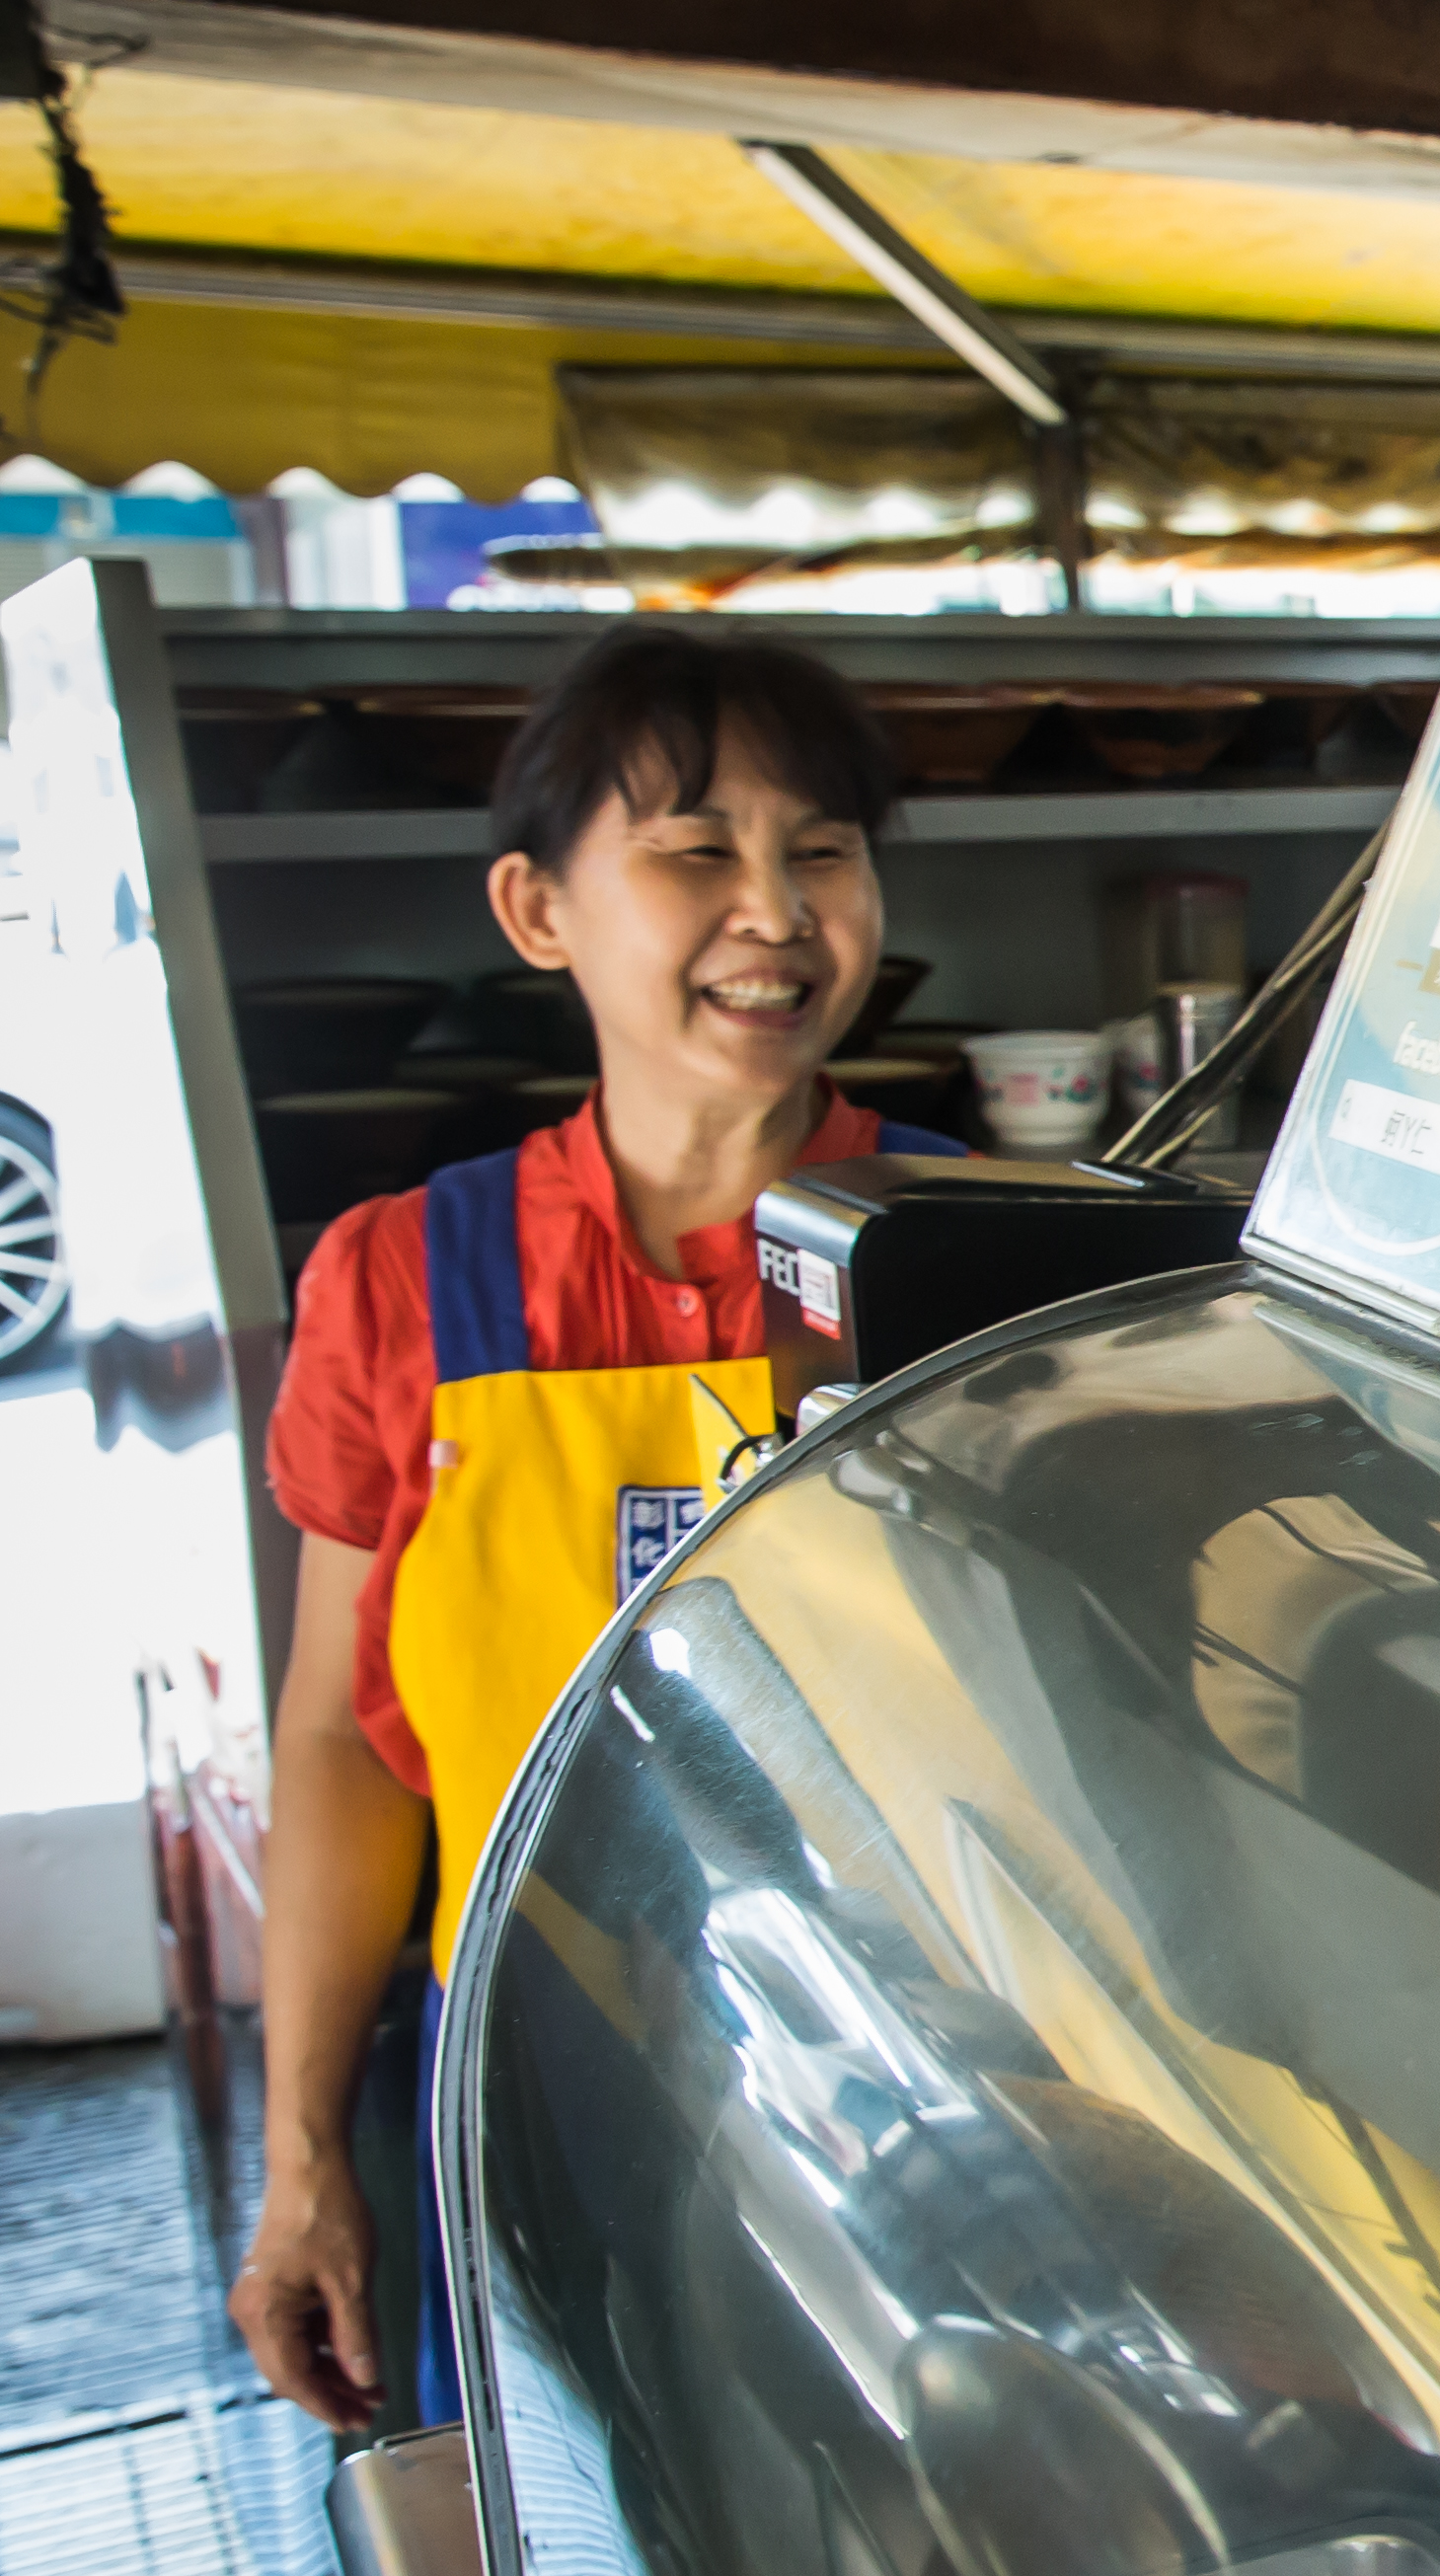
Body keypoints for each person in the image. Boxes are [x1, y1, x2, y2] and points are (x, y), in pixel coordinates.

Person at [228, 628, 959, 2431]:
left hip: (935, 2083)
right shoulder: (406, 1279)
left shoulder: (977, 1253)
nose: (776, 912)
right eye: (696, 851)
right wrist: (304, 2156)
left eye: (823, 850)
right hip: (530, 2075)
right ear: (537, 909)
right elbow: (342, 1741)